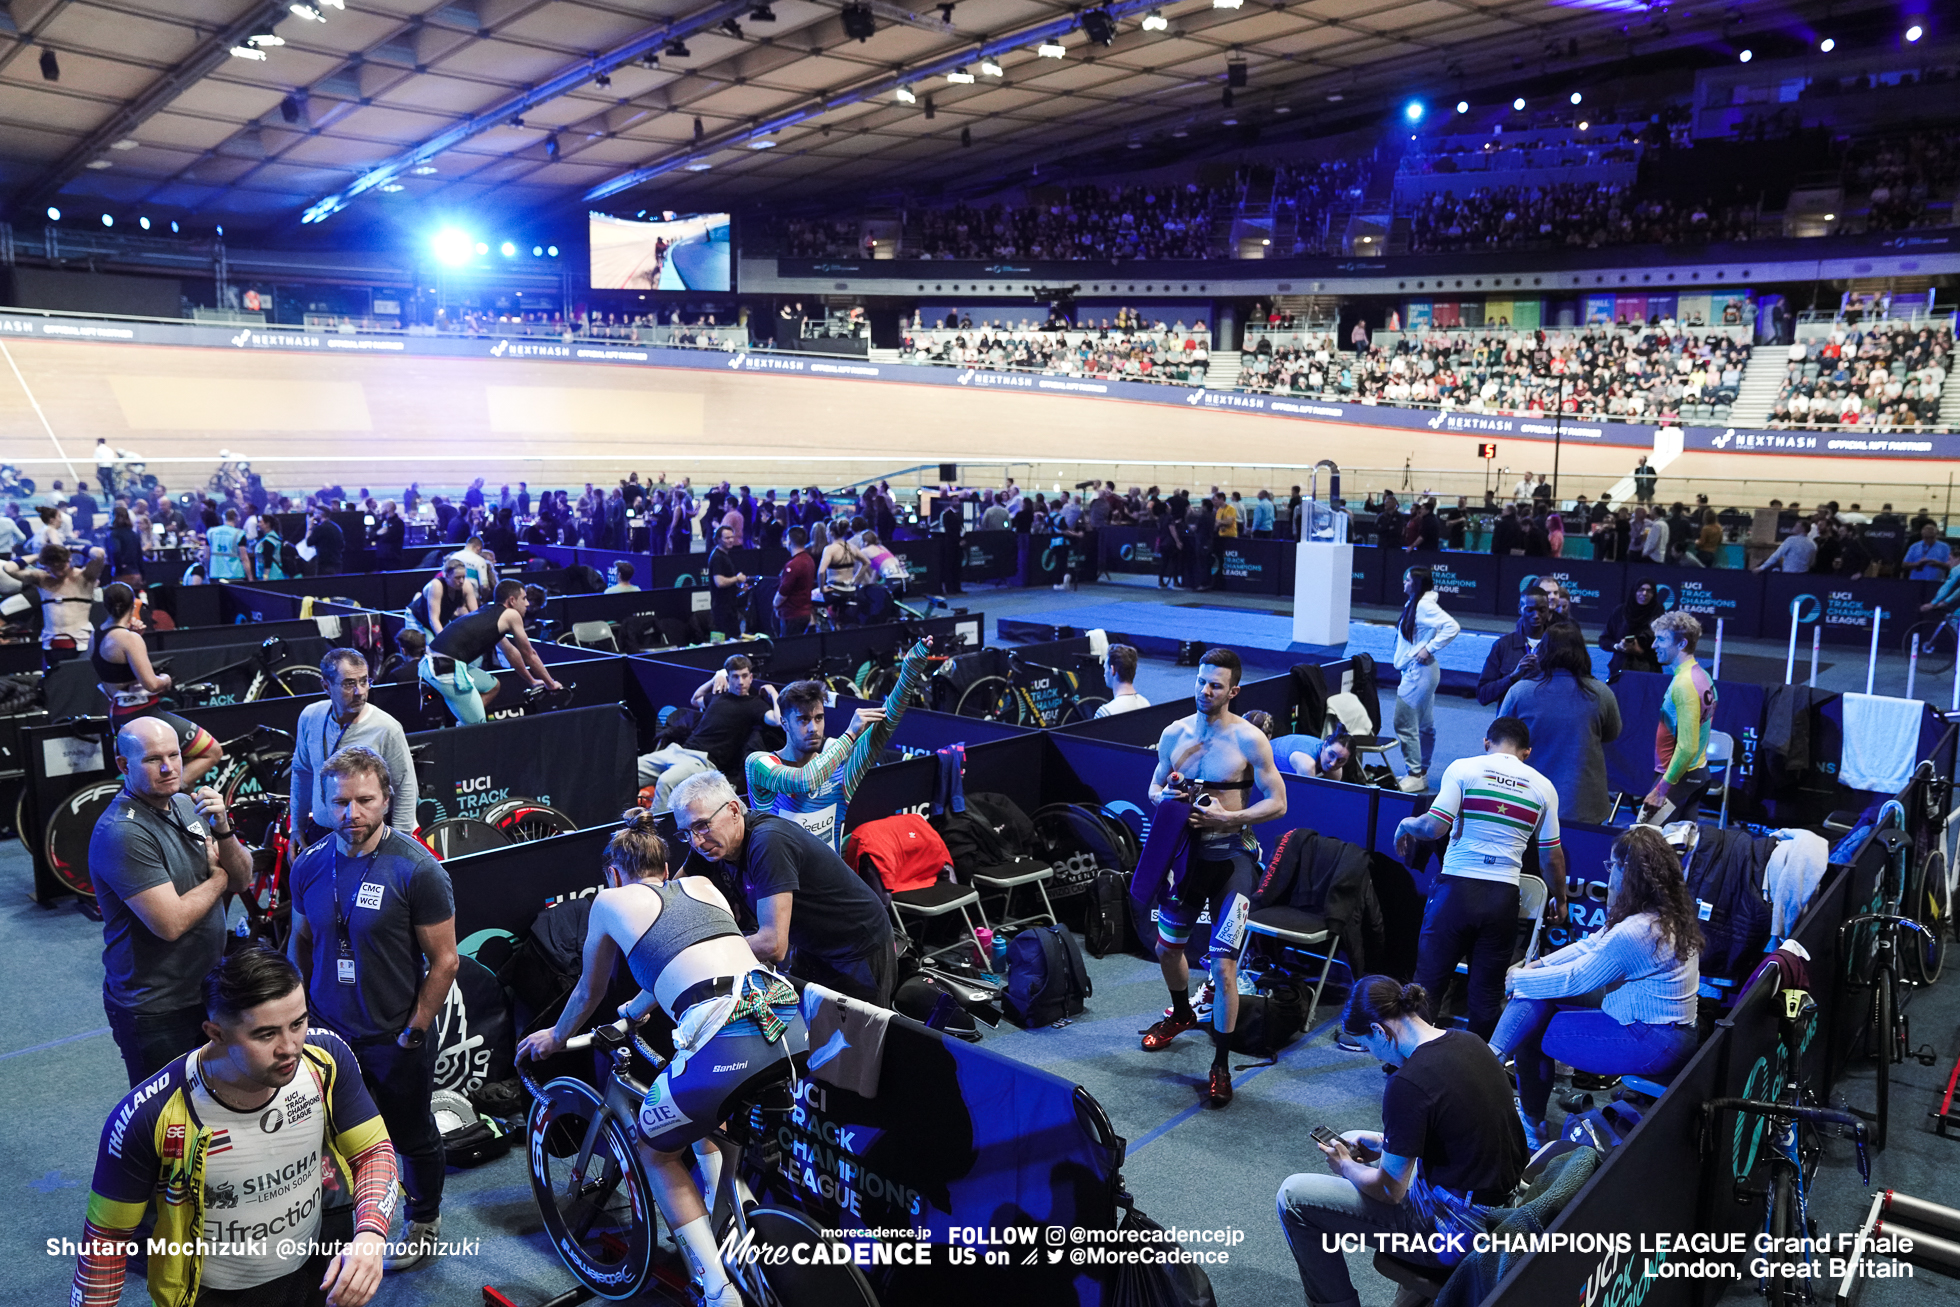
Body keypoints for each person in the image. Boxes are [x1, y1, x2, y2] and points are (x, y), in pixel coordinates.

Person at [515, 812, 805, 1307]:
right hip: (788, 1026)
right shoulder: (701, 887)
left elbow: (589, 989)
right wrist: (634, 1011)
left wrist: (557, 1039)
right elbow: (697, 953)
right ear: (666, 867)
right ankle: (744, 1235)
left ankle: (718, 1291)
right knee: (702, 1123)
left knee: (656, 1150)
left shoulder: (608, 901)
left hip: (726, 1037)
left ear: (612, 873)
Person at [72, 947, 396, 1307]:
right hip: (215, 1295)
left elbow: (374, 1153)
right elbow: (105, 1243)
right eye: (265, 1034)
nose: (290, 1048)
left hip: (315, 1269)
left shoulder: (325, 1059)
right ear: (216, 1033)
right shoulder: (148, 1116)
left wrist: (371, 1234)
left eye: (298, 1023)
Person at [287, 746, 458, 1272]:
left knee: (410, 1136)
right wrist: (298, 1020)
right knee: (336, 1138)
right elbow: (299, 941)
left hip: (393, 1037)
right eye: (340, 802)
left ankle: (423, 1223)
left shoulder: (418, 870)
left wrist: (413, 1031)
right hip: (329, 1035)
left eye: (364, 801)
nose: (351, 814)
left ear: (386, 800)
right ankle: (353, 1225)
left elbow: (445, 961)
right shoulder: (310, 865)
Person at [1275, 976, 1527, 1307]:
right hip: (1501, 1208)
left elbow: (1389, 1191)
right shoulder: (1470, 1042)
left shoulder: (1407, 1084)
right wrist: (1385, 1142)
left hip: (1453, 1231)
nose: (1371, 1054)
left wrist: (1345, 1166)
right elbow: (1457, 1130)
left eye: (1367, 1045)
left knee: (1293, 1197)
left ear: (1380, 1031)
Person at [1139, 649, 1288, 1108]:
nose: (1206, 690)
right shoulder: (1173, 733)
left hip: (1232, 859)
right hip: (1185, 858)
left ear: (1234, 691)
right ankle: (1182, 1013)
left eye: (1216, 685)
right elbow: (1153, 787)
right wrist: (1170, 795)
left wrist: (1231, 817)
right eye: (1202, 681)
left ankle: (1220, 1064)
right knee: (1167, 949)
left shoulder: (1248, 740)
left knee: (1222, 964)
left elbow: (1278, 802)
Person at [1492, 824, 1701, 1146]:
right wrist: (1541, 964)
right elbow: (1591, 945)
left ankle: (1522, 1116)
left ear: (1627, 872)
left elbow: (1577, 979)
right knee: (1536, 997)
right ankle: (1489, 1062)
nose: (1609, 873)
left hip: (1654, 1040)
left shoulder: (1639, 930)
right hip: (1667, 1031)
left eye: (1612, 866)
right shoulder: (1663, 912)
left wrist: (1519, 977)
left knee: (1531, 1027)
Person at [90, 716, 255, 1085]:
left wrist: (224, 829)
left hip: (206, 991)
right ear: (123, 765)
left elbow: (244, 879)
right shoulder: (122, 832)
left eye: (174, 755)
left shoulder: (184, 803)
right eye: (152, 760)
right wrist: (218, 879)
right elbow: (170, 922)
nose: (168, 768)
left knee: (217, 1106)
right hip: (155, 1009)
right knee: (166, 1125)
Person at [1393, 717, 1567, 1039]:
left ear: (1486, 743)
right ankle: (1478, 1072)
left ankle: (1409, 1065)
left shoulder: (1463, 769)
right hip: (1502, 900)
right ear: (1527, 752)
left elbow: (1433, 827)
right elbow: (1551, 856)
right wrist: (1561, 899)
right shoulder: (1544, 787)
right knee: (1486, 998)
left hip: (1455, 893)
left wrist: (1406, 823)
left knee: (1426, 986)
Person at [670, 771, 899, 1006]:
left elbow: (773, 944)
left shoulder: (768, 842)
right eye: (686, 833)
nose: (696, 841)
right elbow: (674, 896)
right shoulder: (709, 845)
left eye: (702, 825)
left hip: (856, 948)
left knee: (857, 1039)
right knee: (811, 1032)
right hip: (810, 946)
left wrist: (702, 955)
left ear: (734, 811)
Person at [746, 639, 932, 852]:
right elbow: (804, 780)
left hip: (830, 881)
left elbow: (884, 727)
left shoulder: (841, 771)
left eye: (818, 718)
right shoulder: (759, 764)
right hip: (783, 882)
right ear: (785, 723)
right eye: (803, 720)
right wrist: (851, 734)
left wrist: (908, 672)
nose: (813, 728)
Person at [1498, 623, 1622, 825]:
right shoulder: (1602, 693)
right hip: (1583, 804)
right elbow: (1612, 733)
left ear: (1543, 652)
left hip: (1527, 801)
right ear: (1582, 651)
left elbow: (1499, 742)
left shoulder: (1520, 692)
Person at [290, 650, 418, 846]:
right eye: (349, 684)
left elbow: (405, 788)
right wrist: (297, 829)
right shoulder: (310, 717)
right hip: (321, 834)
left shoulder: (386, 728)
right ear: (326, 686)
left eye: (364, 681)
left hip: (366, 838)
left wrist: (399, 846)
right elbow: (302, 772)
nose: (360, 691)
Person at [420, 578, 562, 725]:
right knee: (478, 726)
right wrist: (550, 683)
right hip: (444, 668)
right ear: (512, 601)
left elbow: (510, 651)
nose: (527, 603)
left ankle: (464, 720)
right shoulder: (511, 615)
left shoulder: (490, 612)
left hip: (432, 663)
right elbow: (529, 654)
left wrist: (532, 681)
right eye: (524, 598)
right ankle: (466, 725)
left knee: (492, 686)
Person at [1643, 610, 1715, 824]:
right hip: (1696, 774)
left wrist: (1661, 789)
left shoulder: (1685, 684)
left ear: (1682, 644)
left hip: (1678, 778)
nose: (1654, 645)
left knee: (1642, 844)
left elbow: (1687, 747)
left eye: (1661, 639)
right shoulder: (1702, 675)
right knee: (1676, 847)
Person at [1392, 566, 1459, 792]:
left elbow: (1452, 626)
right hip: (1422, 671)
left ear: (1417, 584)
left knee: (1404, 722)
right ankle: (1421, 772)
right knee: (1424, 725)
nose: (1404, 583)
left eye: (1407, 580)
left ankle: (1415, 773)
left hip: (1419, 671)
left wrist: (1429, 648)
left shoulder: (1423, 605)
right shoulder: (1416, 603)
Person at [5, 541, 107, 666]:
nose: (58, 573)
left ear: (68, 561)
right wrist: (39, 555)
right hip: (50, 644)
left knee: (81, 680)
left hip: (81, 642)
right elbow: (9, 568)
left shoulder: (84, 577)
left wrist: (71, 548)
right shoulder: (41, 579)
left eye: (61, 567)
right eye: (53, 568)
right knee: (52, 683)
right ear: (46, 565)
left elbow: (99, 553)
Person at [1600, 577, 1664, 677]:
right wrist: (1618, 646)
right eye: (1641, 590)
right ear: (1634, 591)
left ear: (1654, 594)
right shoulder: (1620, 612)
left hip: (1649, 672)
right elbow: (1604, 640)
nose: (1644, 594)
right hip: (1619, 669)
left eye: (1649, 591)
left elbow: (1665, 648)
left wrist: (1641, 651)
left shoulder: (1659, 614)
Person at [409, 557, 477, 636]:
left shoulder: (466, 586)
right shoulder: (436, 586)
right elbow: (433, 619)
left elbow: (475, 614)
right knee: (430, 644)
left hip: (440, 620)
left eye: (463, 577)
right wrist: (444, 642)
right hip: (418, 620)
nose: (461, 581)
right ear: (447, 576)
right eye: (457, 578)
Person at [774, 525, 817, 635]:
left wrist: (775, 604)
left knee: (787, 647)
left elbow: (784, 590)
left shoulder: (794, 564)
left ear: (789, 541)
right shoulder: (809, 560)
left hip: (792, 614)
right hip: (805, 612)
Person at [1096, 642, 1150, 716]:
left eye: (1105, 668)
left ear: (1113, 670)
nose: (1104, 674)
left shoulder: (1105, 712)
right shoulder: (1146, 704)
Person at [207, 507, 250, 581]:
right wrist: (250, 577)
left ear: (223, 517)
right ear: (237, 518)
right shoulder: (239, 534)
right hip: (235, 574)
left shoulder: (211, 532)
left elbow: (206, 556)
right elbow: (244, 558)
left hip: (215, 573)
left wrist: (208, 571)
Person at [307, 505, 345, 575]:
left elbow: (308, 542)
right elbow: (342, 545)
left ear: (320, 514)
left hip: (323, 564)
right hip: (337, 562)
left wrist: (310, 527)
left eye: (315, 513)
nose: (314, 516)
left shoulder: (319, 528)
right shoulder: (336, 527)